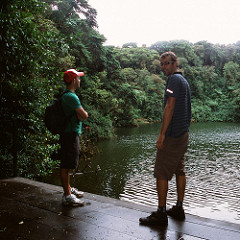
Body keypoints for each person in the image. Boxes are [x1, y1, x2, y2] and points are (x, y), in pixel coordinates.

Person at [139, 52, 191, 226]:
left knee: (161, 171)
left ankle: (161, 214)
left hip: (173, 135)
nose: (164, 67)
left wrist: (162, 134)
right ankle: (179, 208)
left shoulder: (174, 80)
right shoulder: (183, 80)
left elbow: (170, 106)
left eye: (167, 63)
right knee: (179, 169)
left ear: (175, 63)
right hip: (183, 134)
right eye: (162, 64)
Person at [60, 69, 88, 207]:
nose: (80, 80)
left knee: (68, 163)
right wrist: (81, 114)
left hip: (69, 133)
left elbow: (80, 115)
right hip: (69, 134)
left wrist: (80, 114)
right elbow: (84, 115)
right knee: (66, 164)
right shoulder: (71, 97)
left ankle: (68, 189)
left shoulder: (68, 95)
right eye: (78, 78)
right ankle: (67, 196)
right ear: (73, 80)